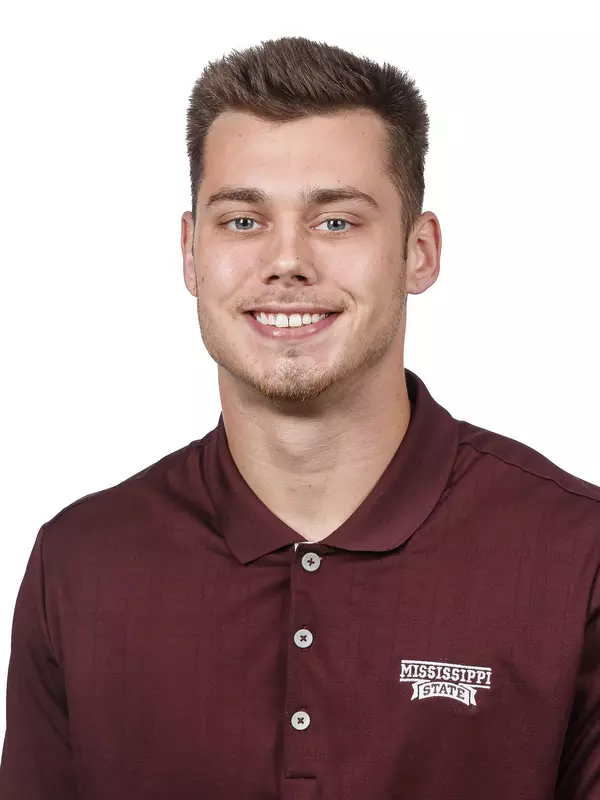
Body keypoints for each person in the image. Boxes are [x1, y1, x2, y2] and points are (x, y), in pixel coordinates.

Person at [1, 34, 599, 800]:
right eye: (243, 222)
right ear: (190, 254)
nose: (287, 262)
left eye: (338, 222)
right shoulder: (79, 566)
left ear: (420, 252)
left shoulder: (576, 556)